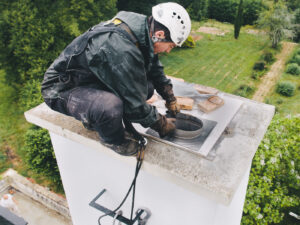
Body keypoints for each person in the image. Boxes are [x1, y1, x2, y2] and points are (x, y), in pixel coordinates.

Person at [41, 2, 191, 155]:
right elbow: (135, 105)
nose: (168, 51)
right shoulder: (120, 48)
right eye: (171, 46)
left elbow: (154, 67)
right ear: (159, 35)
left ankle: (97, 113)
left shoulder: (141, 30)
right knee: (110, 106)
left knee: (147, 88)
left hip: (90, 79)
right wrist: (162, 125)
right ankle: (112, 140)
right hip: (61, 89)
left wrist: (170, 98)